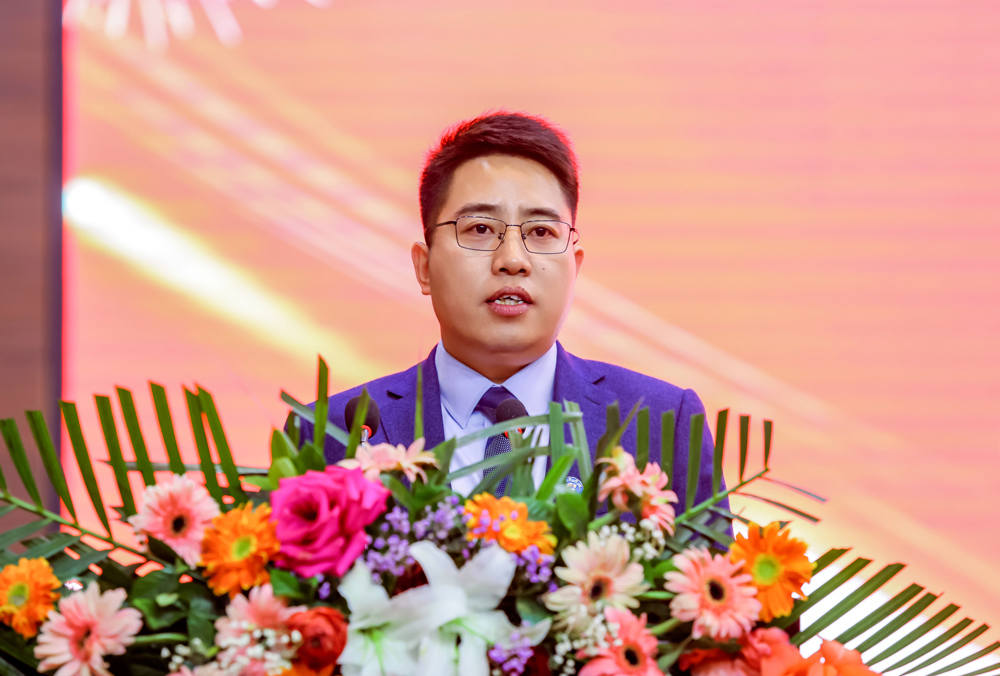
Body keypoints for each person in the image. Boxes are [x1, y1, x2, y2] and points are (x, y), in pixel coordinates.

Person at [297, 111, 721, 509]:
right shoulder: (333, 432)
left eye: (541, 231)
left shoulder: (662, 423)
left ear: (574, 268)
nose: (513, 260)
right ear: (424, 267)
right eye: (480, 228)